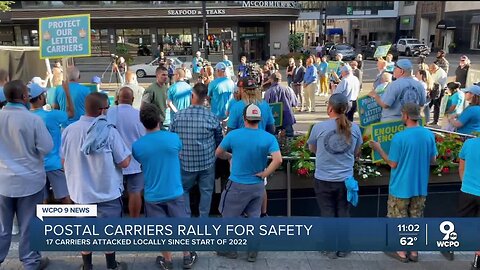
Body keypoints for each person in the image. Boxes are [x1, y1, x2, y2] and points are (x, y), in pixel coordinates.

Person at [62, 92, 131, 270]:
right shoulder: (109, 131)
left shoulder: (69, 130)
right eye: (107, 108)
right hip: (107, 193)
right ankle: (111, 265)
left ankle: (87, 266)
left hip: (81, 193)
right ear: (101, 110)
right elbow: (124, 162)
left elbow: (63, 161)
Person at [132, 103, 198, 270]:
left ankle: (167, 260)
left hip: (153, 195)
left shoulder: (137, 146)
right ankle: (187, 256)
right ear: (160, 119)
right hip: (174, 191)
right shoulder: (173, 138)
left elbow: (141, 161)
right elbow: (177, 151)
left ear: (142, 122)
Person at [215, 103, 282, 262]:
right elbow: (278, 160)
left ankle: (230, 249)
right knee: (254, 218)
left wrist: (230, 157)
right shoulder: (268, 137)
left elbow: (219, 153)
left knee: (229, 217)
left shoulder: (234, 135)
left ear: (244, 118)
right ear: (259, 119)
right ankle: (252, 250)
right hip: (257, 185)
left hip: (237, 184)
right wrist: (265, 173)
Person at [370, 103, 436, 263]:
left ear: (406, 116)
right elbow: (433, 160)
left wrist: (378, 149)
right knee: (416, 218)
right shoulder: (428, 135)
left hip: (400, 186)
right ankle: (414, 252)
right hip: (420, 186)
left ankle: (401, 252)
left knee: (398, 218)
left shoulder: (399, 137)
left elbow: (393, 163)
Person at [0, 80, 53, 270]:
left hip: (2, 183)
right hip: (30, 182)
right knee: (29, 226)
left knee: (3, 227)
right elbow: (46, 148)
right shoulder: (33, 120)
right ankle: (30, 263)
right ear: (24, 97)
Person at [307, 93, 362, 259]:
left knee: (327, 212)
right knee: (343, 212)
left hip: (323, 178)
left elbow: (312, 149)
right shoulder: (355, 128)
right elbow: (356, 151)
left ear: (330, 108)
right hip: (345, 180)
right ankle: (344, 247)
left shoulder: (319, 127)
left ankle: (329, 246)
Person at [170, 83, 223, 217]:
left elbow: (172, 139)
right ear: (205, 97)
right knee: (206, 191)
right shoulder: (212, 117)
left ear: (192, 95)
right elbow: (219, 141)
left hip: (185, 163)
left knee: (184, 190)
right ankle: (203, 218)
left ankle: (186, 217)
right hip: (207, 162)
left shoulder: (178, 116)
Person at [29, 81, 73, 204]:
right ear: (40, 97)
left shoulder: (26, 117)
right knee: (65, 197)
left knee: (43, 201)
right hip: (54, 164)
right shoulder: (52, 115)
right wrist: (67, 93)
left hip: (35, 166)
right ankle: (71, 222)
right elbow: (71, 113)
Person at [107, 87, 146, 218]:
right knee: (135, 192)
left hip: (113, 161)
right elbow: (144, 138)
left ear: (117, 98)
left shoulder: (110, 113)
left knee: (113, 193)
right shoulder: (139, 115)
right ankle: (134, 221)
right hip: (135, 161)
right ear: (133, 99)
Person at [457, 135, 480, 270]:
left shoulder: (469, 144)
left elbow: (461, 168)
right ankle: (477, 260)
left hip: (467, 192)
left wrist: (466, 184)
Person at [264, 72, 298, 137]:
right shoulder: (288, 89)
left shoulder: (269, 92)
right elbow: (295, 103)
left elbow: (265, 106)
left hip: (274, 118)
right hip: (287, 117)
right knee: (289, 138)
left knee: (273, 138)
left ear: (271, 79)